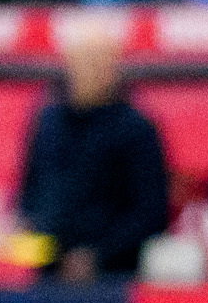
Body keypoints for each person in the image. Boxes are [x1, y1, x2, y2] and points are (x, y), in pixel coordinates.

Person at [10, 19, 173, 277]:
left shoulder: (136, 128)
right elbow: (28, 193)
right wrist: (25, 231)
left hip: (113, 279)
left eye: (98, 62)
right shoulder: (48, 122)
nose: (89, 71)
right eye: (82, 62)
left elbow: (152, 212)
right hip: (48, 274)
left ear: (114, 67)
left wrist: (98, 254)